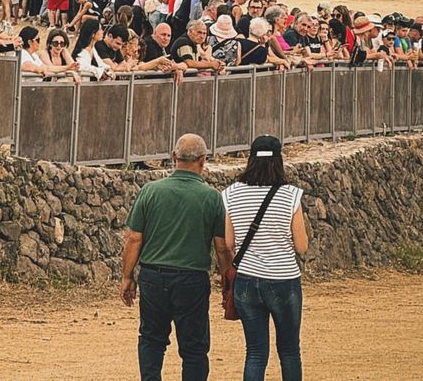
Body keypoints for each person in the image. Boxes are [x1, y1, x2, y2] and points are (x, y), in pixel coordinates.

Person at [121, 132, 232, 381]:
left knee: (151, 339)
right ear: (203, 160)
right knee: (194, 348)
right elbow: (222, 247)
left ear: (173, 158)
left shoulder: (150, 192)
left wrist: (127, 277)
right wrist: (228, 281)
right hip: (192, 280)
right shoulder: (211, 197)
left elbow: (134, 239)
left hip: (153, 277)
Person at [223, 134, 308, 381]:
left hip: (247, 279)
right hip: (284, 279)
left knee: (256, 352)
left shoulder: (231, 194)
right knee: (290, 351)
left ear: (250, 160)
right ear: (279, 160)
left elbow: (228, 243)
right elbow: (301, 246)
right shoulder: (291, 194)